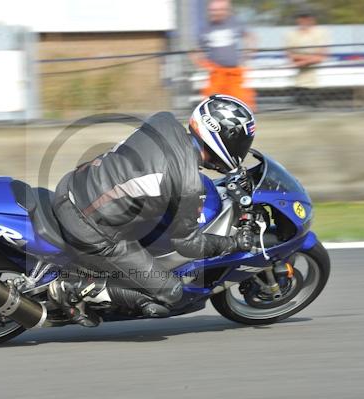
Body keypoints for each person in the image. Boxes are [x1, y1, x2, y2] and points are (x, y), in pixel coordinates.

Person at [50, 95, 257, 326]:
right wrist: (234, 244)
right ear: (223, 138)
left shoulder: (163, 122)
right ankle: (76, 287)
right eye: (240, 143)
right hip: (90, 229)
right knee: (171, 294)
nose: (241, 150)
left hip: (71, 186)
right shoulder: (188, 186)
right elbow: (188, 245)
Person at [192, 0, 256, 110]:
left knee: (241, 103)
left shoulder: (234, 23)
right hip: (216, 74)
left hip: (234, 73)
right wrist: (201, 64)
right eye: (212, 10)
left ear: (225, 11)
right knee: (211, 104)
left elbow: (250, 36)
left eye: (217, 10)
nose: (214, 13)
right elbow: (196, 50)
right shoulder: (206, 28)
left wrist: (248, 55)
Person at [285, 5, 331, 106]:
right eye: (301, 17)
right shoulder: (292, 34)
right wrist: (311, 58)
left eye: (306, 17)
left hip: (316, 84)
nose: (304, 20)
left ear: (312, 18)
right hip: (299, 84)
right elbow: (291, 56)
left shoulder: (321, 33)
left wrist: (302, 61)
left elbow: (322, 56)